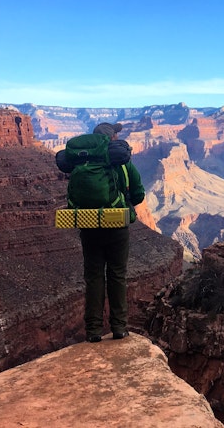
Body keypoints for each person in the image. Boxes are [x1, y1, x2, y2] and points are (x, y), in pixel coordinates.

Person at [78, 122, 145, 342]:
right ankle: (119, 327)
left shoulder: (84, 161)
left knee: (94, 277)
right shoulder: (123, 163)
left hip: (89, 227)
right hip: (117, 226)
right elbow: (138, 194)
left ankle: (94, 330)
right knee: (117, 275)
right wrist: (124, 200)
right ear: (113, 138)